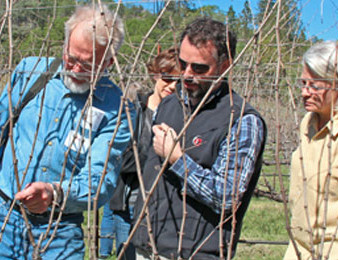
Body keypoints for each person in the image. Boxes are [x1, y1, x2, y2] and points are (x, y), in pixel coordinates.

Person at [0, 4, 134, 259]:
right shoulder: (30, 71)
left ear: (107, 61)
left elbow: (101, 179)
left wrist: (54, 192)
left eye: (86, 64)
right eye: (70, 57)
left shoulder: (117, 108)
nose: (73, 70)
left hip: (60, 230)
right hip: (3, 217)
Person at [132, 18, 267, 259]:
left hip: (195, 253)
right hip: (146, 246)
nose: (186, 75)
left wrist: (177, 158)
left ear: (225, 66)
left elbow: (226, 197)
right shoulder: (169, 104)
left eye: (199, 68)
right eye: (182, 64)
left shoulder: (241, 120)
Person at [284, 41, 338, 259]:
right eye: (303, 83)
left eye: (315, 86)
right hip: (299, 251)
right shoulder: (308, 124)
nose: (304, 92)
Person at [99, 47, 180, 259]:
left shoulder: (183, 116)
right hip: (132, 199)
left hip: (168, 203)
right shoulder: (132, 110)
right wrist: (157, 155)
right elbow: (119, 158)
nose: (172, 86)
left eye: (179, 81)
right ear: (155, 74)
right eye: (167, 77)